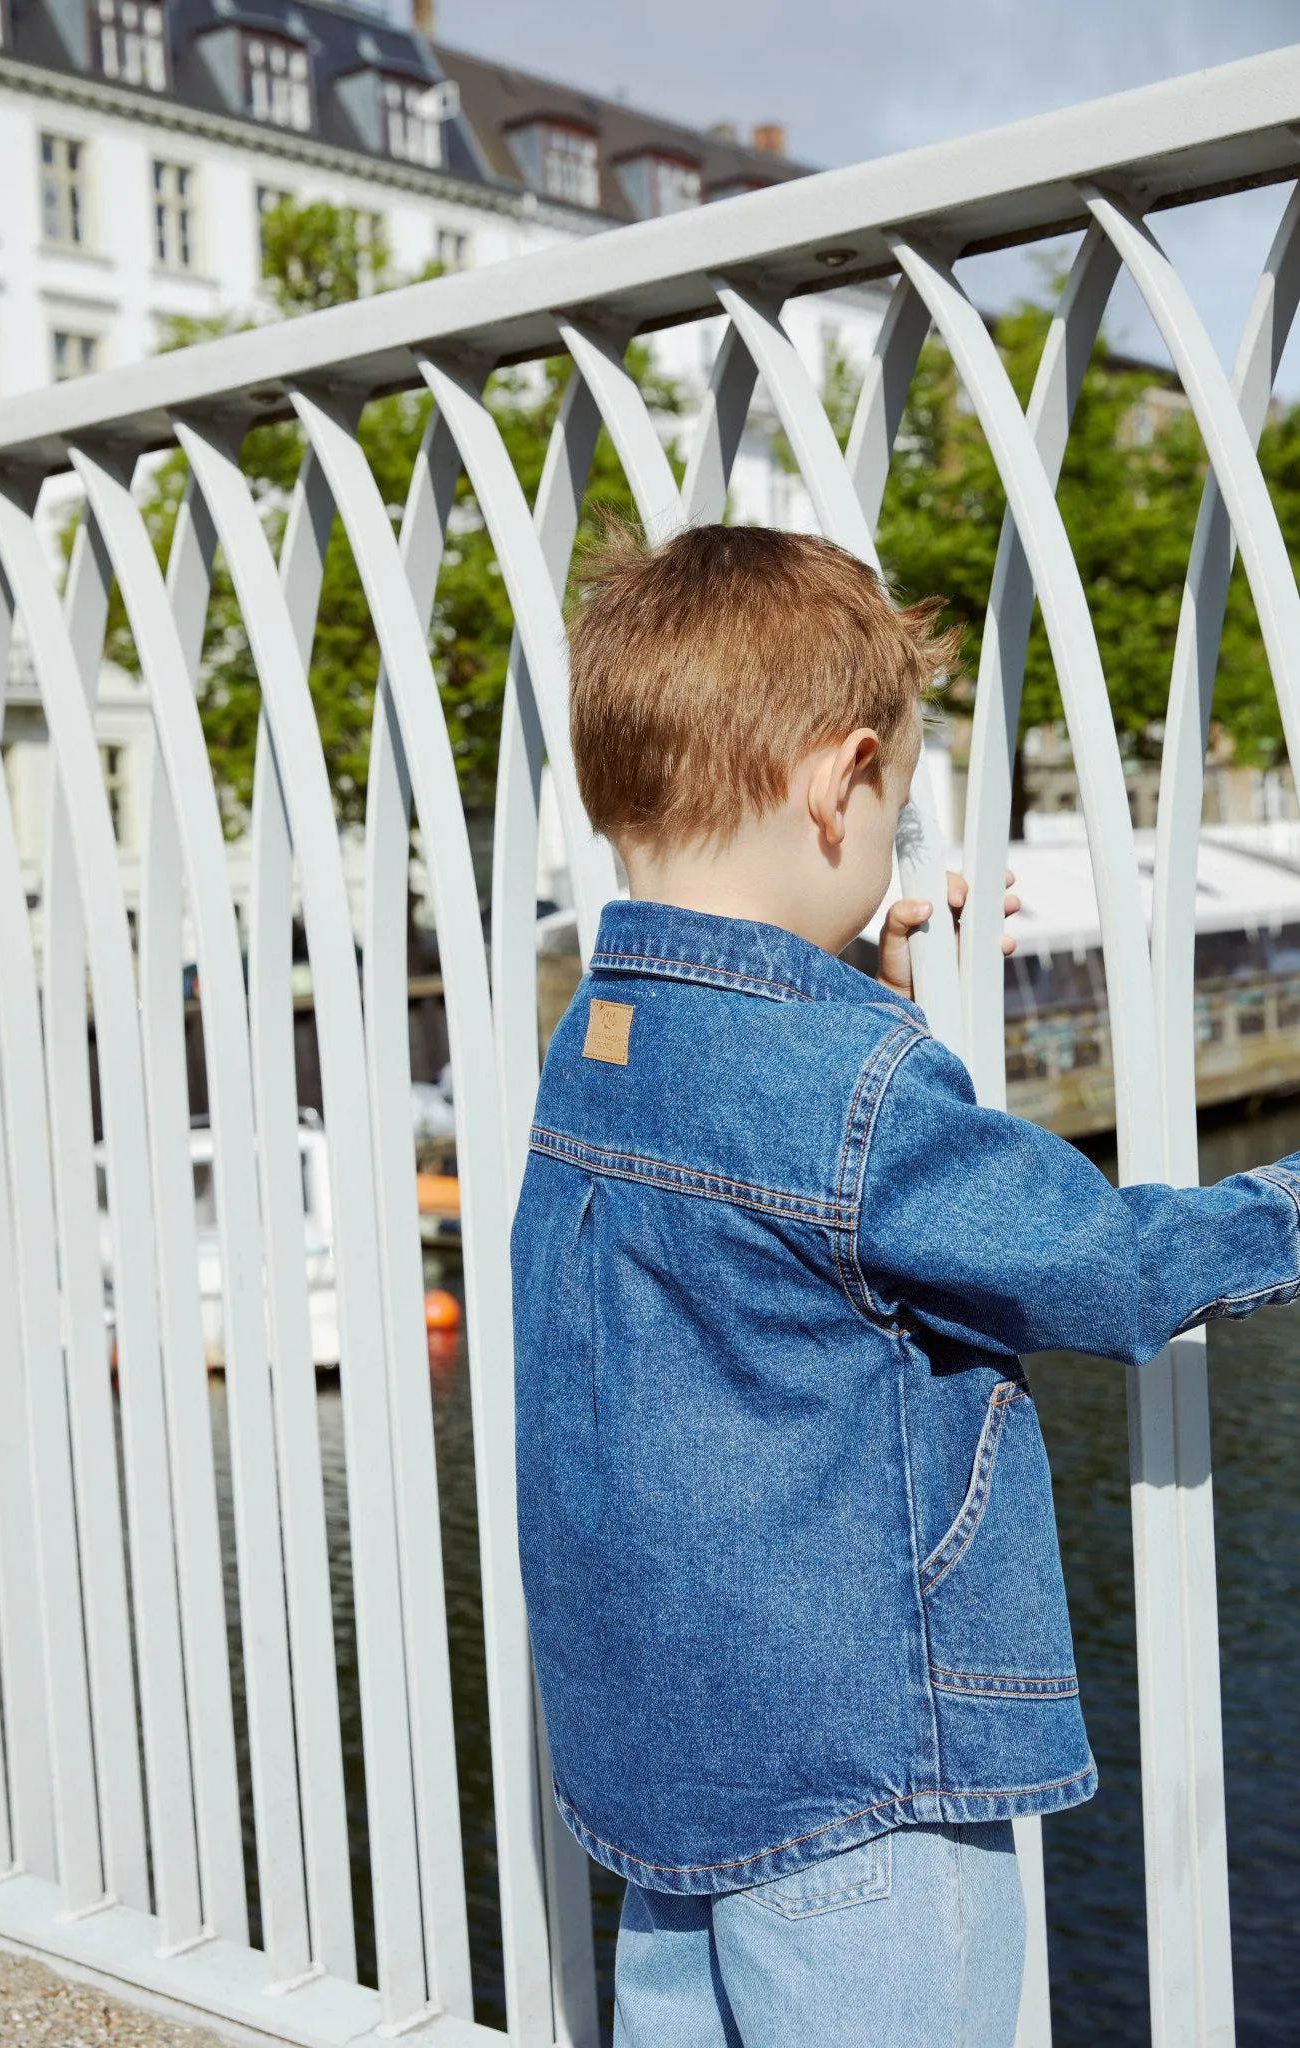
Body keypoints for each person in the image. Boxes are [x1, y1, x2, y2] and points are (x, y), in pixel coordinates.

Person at [510, 524, 1300, 2047]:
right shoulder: (852, 1086)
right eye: (898, 807)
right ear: (836, 781)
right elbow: (1112, 1269)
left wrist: (867, 996)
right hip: (856, 1774)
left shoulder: (595, 1037)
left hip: (662, 1762)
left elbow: (747, 1223)